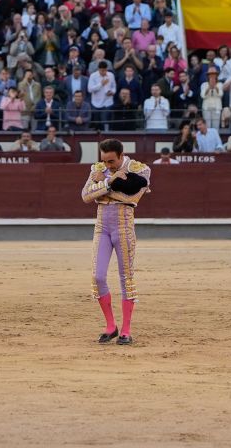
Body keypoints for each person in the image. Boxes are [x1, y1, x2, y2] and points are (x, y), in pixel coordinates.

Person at [80, 136, 152, 346]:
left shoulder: (139, 168)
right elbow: (85, 196)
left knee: (126, 278)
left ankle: (126, 330)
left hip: (123, 226)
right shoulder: (99, 167)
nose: (107, 165)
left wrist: (101, 187)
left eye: (111, 161)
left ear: (121, 156)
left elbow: (133, 198)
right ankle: (111, 326)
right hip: (101, 227)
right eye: (104, 160)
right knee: (97, 276)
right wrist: (111, 182)